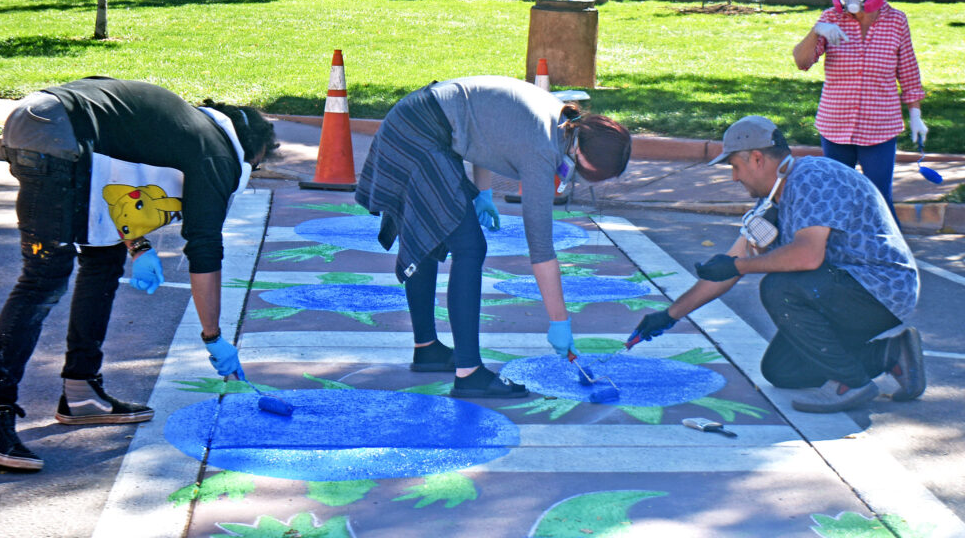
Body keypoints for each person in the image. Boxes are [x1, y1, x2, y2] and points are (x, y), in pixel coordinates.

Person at [0, 77, 276, 471]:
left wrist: (138, 245)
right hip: (54, 134)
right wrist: (213, 337)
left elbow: (119, 183)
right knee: (44, 276)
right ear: (252, 150)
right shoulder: (218, 155)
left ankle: (81, 390)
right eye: (258, 165)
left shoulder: (186, 130)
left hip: (50, 128)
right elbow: (205, 248)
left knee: (103, 257)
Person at [355, 76, 631, 398]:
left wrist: (483, 193)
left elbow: (483, 131)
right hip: (419, 132)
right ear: (584, 161)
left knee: (431, 229)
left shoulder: (563, 122)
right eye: (589, 177)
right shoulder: (542, 150)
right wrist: (560, 322)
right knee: (470, 246)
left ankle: (427, 348)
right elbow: (541, 249)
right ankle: (469, 373)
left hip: (415, 118)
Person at [629, 116, 925, 414]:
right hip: (842, 291)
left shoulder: (815, 178)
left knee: (778, 286)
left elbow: (807, 256)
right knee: (781, 370)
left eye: (735, 166)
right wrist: (669, 315)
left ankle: (850, 383)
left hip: (881, 290)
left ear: (756, 158)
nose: (734, 177)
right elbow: (729, 267)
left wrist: (740, 266)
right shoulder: (771, 200)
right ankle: (891, 354)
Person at [791, 0, 927, 216]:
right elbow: (801, 62)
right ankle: (838, 254)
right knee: (836, 196)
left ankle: (888, 255)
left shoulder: (897, 21)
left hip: (880, 127)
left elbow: (909, 71)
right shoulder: (831, 19)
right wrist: (818, 30)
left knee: (878, 198)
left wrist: (915, 113)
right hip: (835, 125)